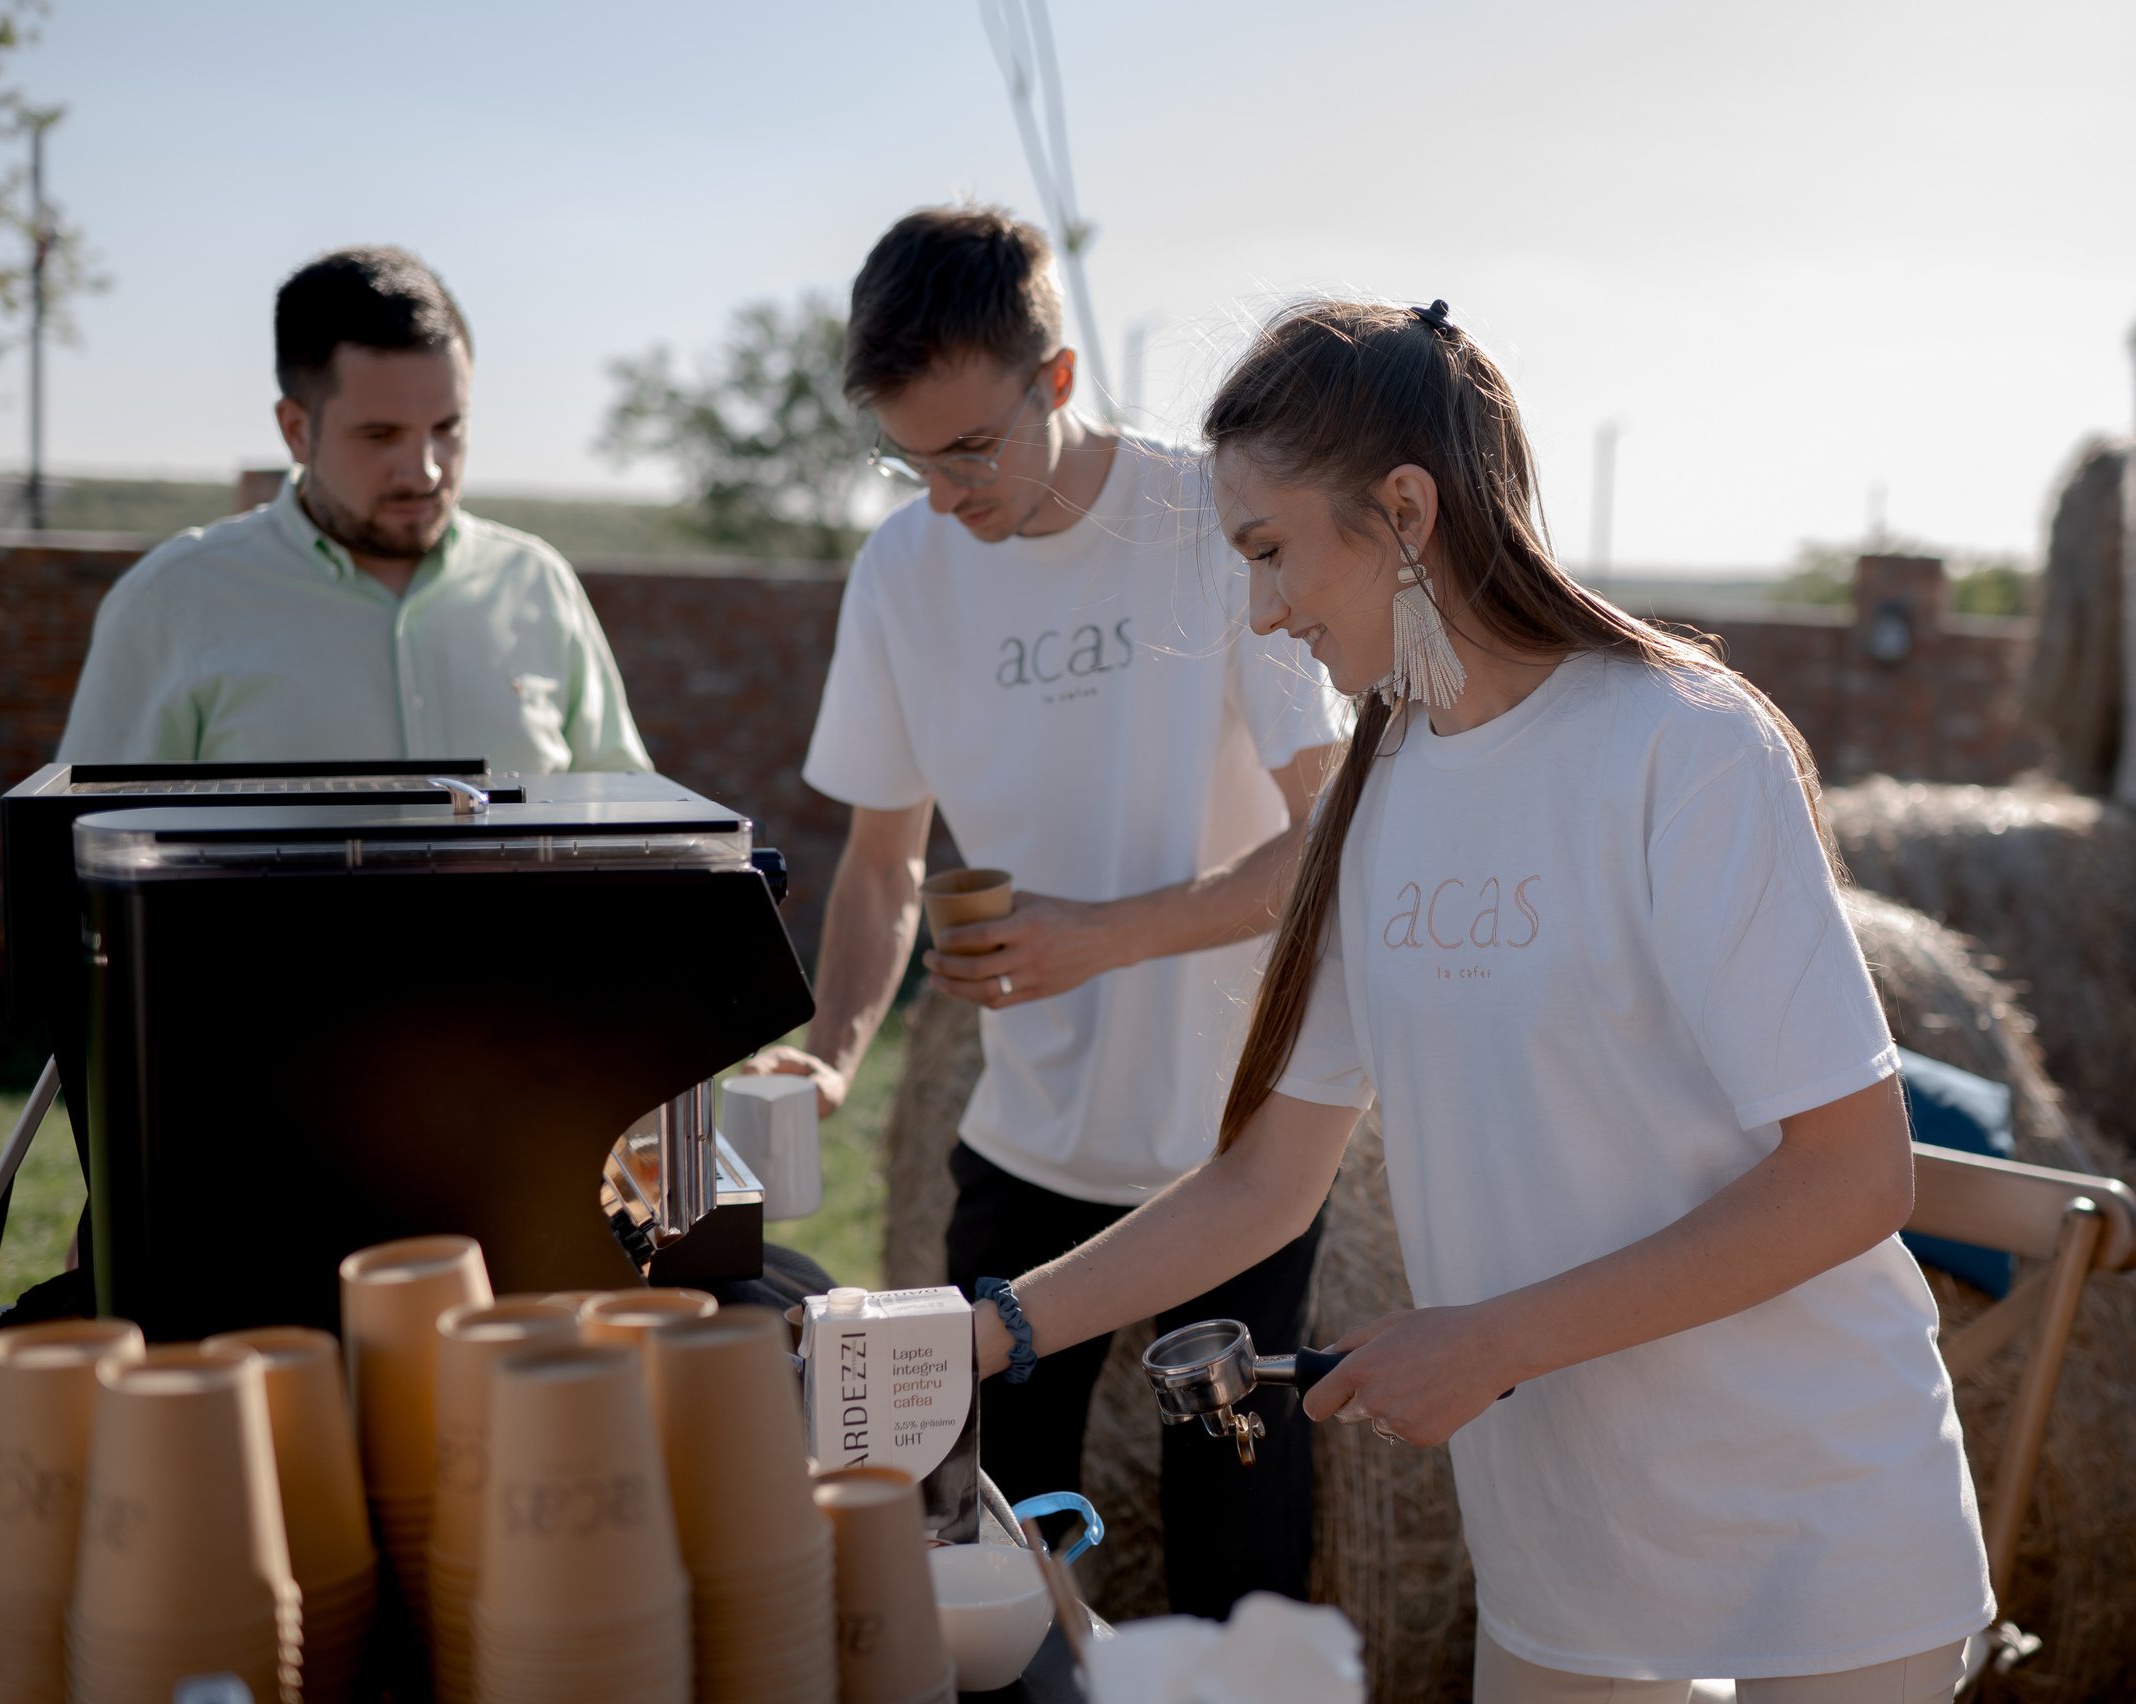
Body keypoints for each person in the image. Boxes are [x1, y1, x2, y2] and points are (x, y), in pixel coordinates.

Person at [966, 300, 1994, 1703]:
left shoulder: (1682, 749)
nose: (1263, 609)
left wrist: (1494, 1338)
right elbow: (1265, 1181)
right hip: (1565, 1561)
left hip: (1817, 1546)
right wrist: (987, 1330)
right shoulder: (1373, 799)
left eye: (1271, 552)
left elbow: (1854, 1176)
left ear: (1403, 512)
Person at [744, 207, 1350, 1616]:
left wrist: (1105, 934)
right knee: (980, 1564)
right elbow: (886, 862)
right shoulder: (901, 570)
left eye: (971, 451)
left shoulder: (1217, 518)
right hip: (1020, 1149)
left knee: (1237, 1570)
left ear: (1058, 382)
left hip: (1238, 1153)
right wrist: (835, 1050)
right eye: (912, 458)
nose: (945, 495)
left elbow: (1329, 843)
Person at [59, 246, 649, 772]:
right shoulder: (173, 601)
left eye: (447, 428)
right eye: (379, 434)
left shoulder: (537, 585)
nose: (426, 470)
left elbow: (630, 827)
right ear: (296, 429)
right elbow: (84, 860)